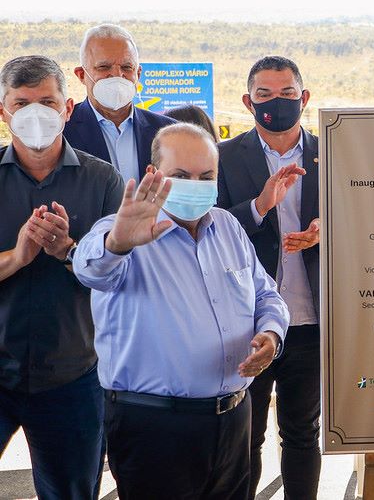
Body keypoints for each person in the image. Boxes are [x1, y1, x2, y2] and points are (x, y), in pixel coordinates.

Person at [73, 123, 293, 500]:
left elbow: (265, 294)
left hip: (234, 418)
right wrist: (118, 243)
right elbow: (89, 269)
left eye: (206, 177)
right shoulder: (122, 230)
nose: (195, 185)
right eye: (180, 175)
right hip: (155, 426)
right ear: (153, 174)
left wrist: (271, 334)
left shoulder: (227, 227)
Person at [0, 55, 124, 499]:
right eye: (22, 103)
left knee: (72, 492)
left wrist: (69, 251)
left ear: (68, 109)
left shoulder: (102, 180)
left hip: (72, 376)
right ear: (4, 112)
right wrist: (17, 257)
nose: (36, 114)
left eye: (48, 103)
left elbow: (119, 276)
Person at [217, 55, 321, 500]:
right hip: (248, 322)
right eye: (265, 95)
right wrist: (260, 206)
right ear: (248, 102)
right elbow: (210, 230)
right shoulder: (223, 157)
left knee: (303, 433)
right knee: (246, 436)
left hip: (311, 320)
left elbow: (364, 217)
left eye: (287, 93)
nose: (276, 102)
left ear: (304, 97)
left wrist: (325, 230)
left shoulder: (331, 153)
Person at [64, 24, 175, 183]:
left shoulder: (169, 132)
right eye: (104, 67)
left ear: (138, 74)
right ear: (81, 75)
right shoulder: (61, 132)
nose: (117, 75)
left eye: (126, 67)